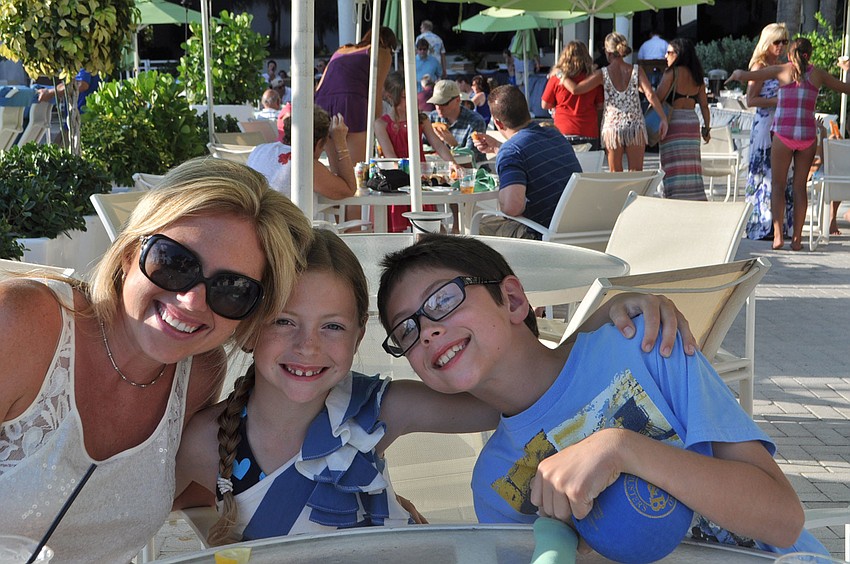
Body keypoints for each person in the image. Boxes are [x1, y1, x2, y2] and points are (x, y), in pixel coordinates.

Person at [376, 233, 830, 558]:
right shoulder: (496, 486)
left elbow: (783, 517)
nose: (428, 331)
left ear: (513, 300)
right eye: (406, 330)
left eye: (443, 300)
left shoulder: (646, 343)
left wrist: (622, 448)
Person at [0, 157, 313, 562]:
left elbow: (180, 490)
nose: (191, 301)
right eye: (175, 263)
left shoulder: (199, 370)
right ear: (131, 251)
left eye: (232, 288)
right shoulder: (25, 323)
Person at [728, 39, 850, 251]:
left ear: (789, 54)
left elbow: (745, 76)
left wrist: (735, 76)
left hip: (783, 135)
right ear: (809, 55)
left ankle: (777, 236)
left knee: (778, 185)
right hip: (807, 136)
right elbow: (845, 88)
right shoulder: (818, 74)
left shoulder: (781, 70)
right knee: (800, 188)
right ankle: (797, 239)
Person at [471, 85, 581, 239]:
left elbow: (512, 208)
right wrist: (497, 147)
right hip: (575, 230)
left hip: (541, 234)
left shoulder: (511, 151)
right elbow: (529, 155)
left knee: (479, 227)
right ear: (526, 112)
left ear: (498, 123)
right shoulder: (555, 135)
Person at [560, 32, 668, 171]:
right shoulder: (636, 70)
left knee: (615, 174)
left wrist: (561, 75)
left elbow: (576, 90)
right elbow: (650, 95)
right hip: (635, 125)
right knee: (636, 174)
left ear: (608, 52)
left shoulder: (602, 74)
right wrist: (663, 118)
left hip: (613, 126)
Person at [375, 72, 460, 233]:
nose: (410, 101)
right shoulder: (381, 124)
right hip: (398, 181)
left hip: (420, 181)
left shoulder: (420, 119)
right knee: (400, 230)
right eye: (404, 97)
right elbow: (391, 157)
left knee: (433, 228)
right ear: (392, 98)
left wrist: (453, 164)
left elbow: (439, 145)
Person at [315, 27, 397, 167]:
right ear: (389, 45)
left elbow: (320, 85)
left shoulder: (341, 50)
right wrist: (375, 122)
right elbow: (375, 90)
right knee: (356, 169)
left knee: (336, 168)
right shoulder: (381, 52)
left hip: (322, 102)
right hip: (351, 102)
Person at [247, 105, 357, 206]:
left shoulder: (259, 149)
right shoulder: (304, 162)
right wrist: (341, 142)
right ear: (319, 143)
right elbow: (349, 189)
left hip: (255, 221)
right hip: (285, 226)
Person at [742, 23, 792, 241]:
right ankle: (762, 226)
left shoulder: (782, 66)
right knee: (764, 177)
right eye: (776, 42)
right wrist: (777, 100)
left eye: (784, 42)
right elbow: (750, 100)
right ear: (767, 43)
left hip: (780, 127)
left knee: (780, 177)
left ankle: (779, 226)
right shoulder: (759, 67)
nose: (780, 46)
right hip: (764, 126)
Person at [655, 38, 711, 200]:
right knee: (691, 167)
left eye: (669, 52)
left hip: (674, 123)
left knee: (672, 166)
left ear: (678, 54)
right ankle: (693, 199)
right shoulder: (697, 76)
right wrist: (707, 128)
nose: (666, 56)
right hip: (692, 122)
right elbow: (704, 106)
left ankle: (674, 199)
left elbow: (658, 98)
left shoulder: (672, 73)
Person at [541, 41, 604, 150]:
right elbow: (600, 104)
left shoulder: (556, 79)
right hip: (588, 131)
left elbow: (545, 104)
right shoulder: (593, 79)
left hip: (563, 130)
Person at [427, 79, 487, 164]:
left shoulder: (475, 121)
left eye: (444, 103)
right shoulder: (433, 117)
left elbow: (472, 160)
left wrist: (453, 144)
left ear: (458, 100)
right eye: (436, 103)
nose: (439, 108)